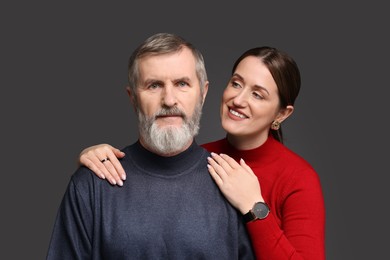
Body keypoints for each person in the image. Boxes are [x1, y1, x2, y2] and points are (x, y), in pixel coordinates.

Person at [78, 44, 326, 259]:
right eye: (236, 83)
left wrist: (254, 205)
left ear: (282, 114)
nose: (238, 99)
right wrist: (95, 156)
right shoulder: (202, 159)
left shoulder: (298, 178)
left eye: (257, 95)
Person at [46, 33, 255, 259]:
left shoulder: (235, 186)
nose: (168, 100)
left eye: (182, 83)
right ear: (133, 97)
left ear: (203, 93)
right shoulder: (92, 185)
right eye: (154, 85)